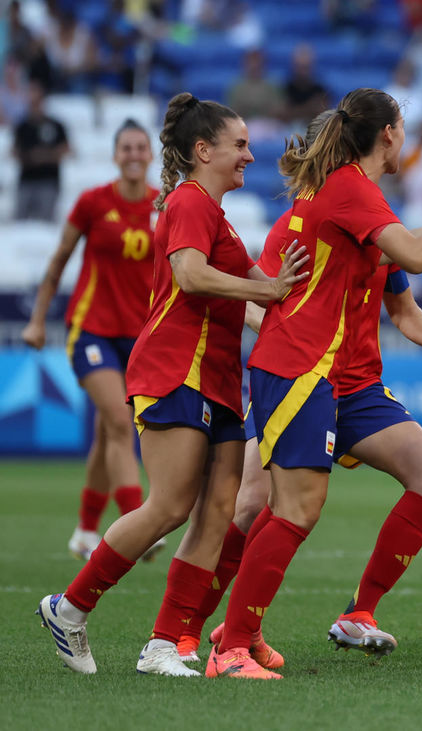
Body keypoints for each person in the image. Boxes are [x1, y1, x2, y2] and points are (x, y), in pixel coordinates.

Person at [209, 87, 422, 680]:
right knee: (280, 508)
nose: (407, 136)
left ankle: (331, 616)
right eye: (404, 126)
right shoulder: (348, 190)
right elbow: (413, 255)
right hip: (300, 369)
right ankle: (221, 642)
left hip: (340, 380)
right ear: (388, 135)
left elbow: (400, 258)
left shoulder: (356, 195)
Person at [36, 92, 309, 676]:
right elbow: (190, 275)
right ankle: (70, 606)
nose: (249, 156)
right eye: (239, 145)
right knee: (168, 506)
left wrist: (304, 339)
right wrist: (267, 292)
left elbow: (263, 304)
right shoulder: (187, 200)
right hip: (174, 368)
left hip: (218, 377)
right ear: (202, 150)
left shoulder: (215, 214)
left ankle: (164, 644)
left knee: (216, 513)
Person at [22, 119, 163, 563]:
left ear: (150, 153)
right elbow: (60, 259)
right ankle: (136, 520)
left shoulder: (164, 204)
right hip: (92, 329)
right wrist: (37, 321)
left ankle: (85, 530)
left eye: (142, 146)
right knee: (121, 422)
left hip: (138, 335)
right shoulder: (92, 202)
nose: (135, 154)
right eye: (127, 147)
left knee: (107, 432)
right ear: (115, 154)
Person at [12, 82, 68, 221]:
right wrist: (30, 157)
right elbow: (14, 151)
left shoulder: (56, 125)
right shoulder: (22, 126)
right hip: (26, 180)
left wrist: (45, 156)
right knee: (20, 222)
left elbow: (66, 149)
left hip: (49, 181)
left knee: (46, 223)